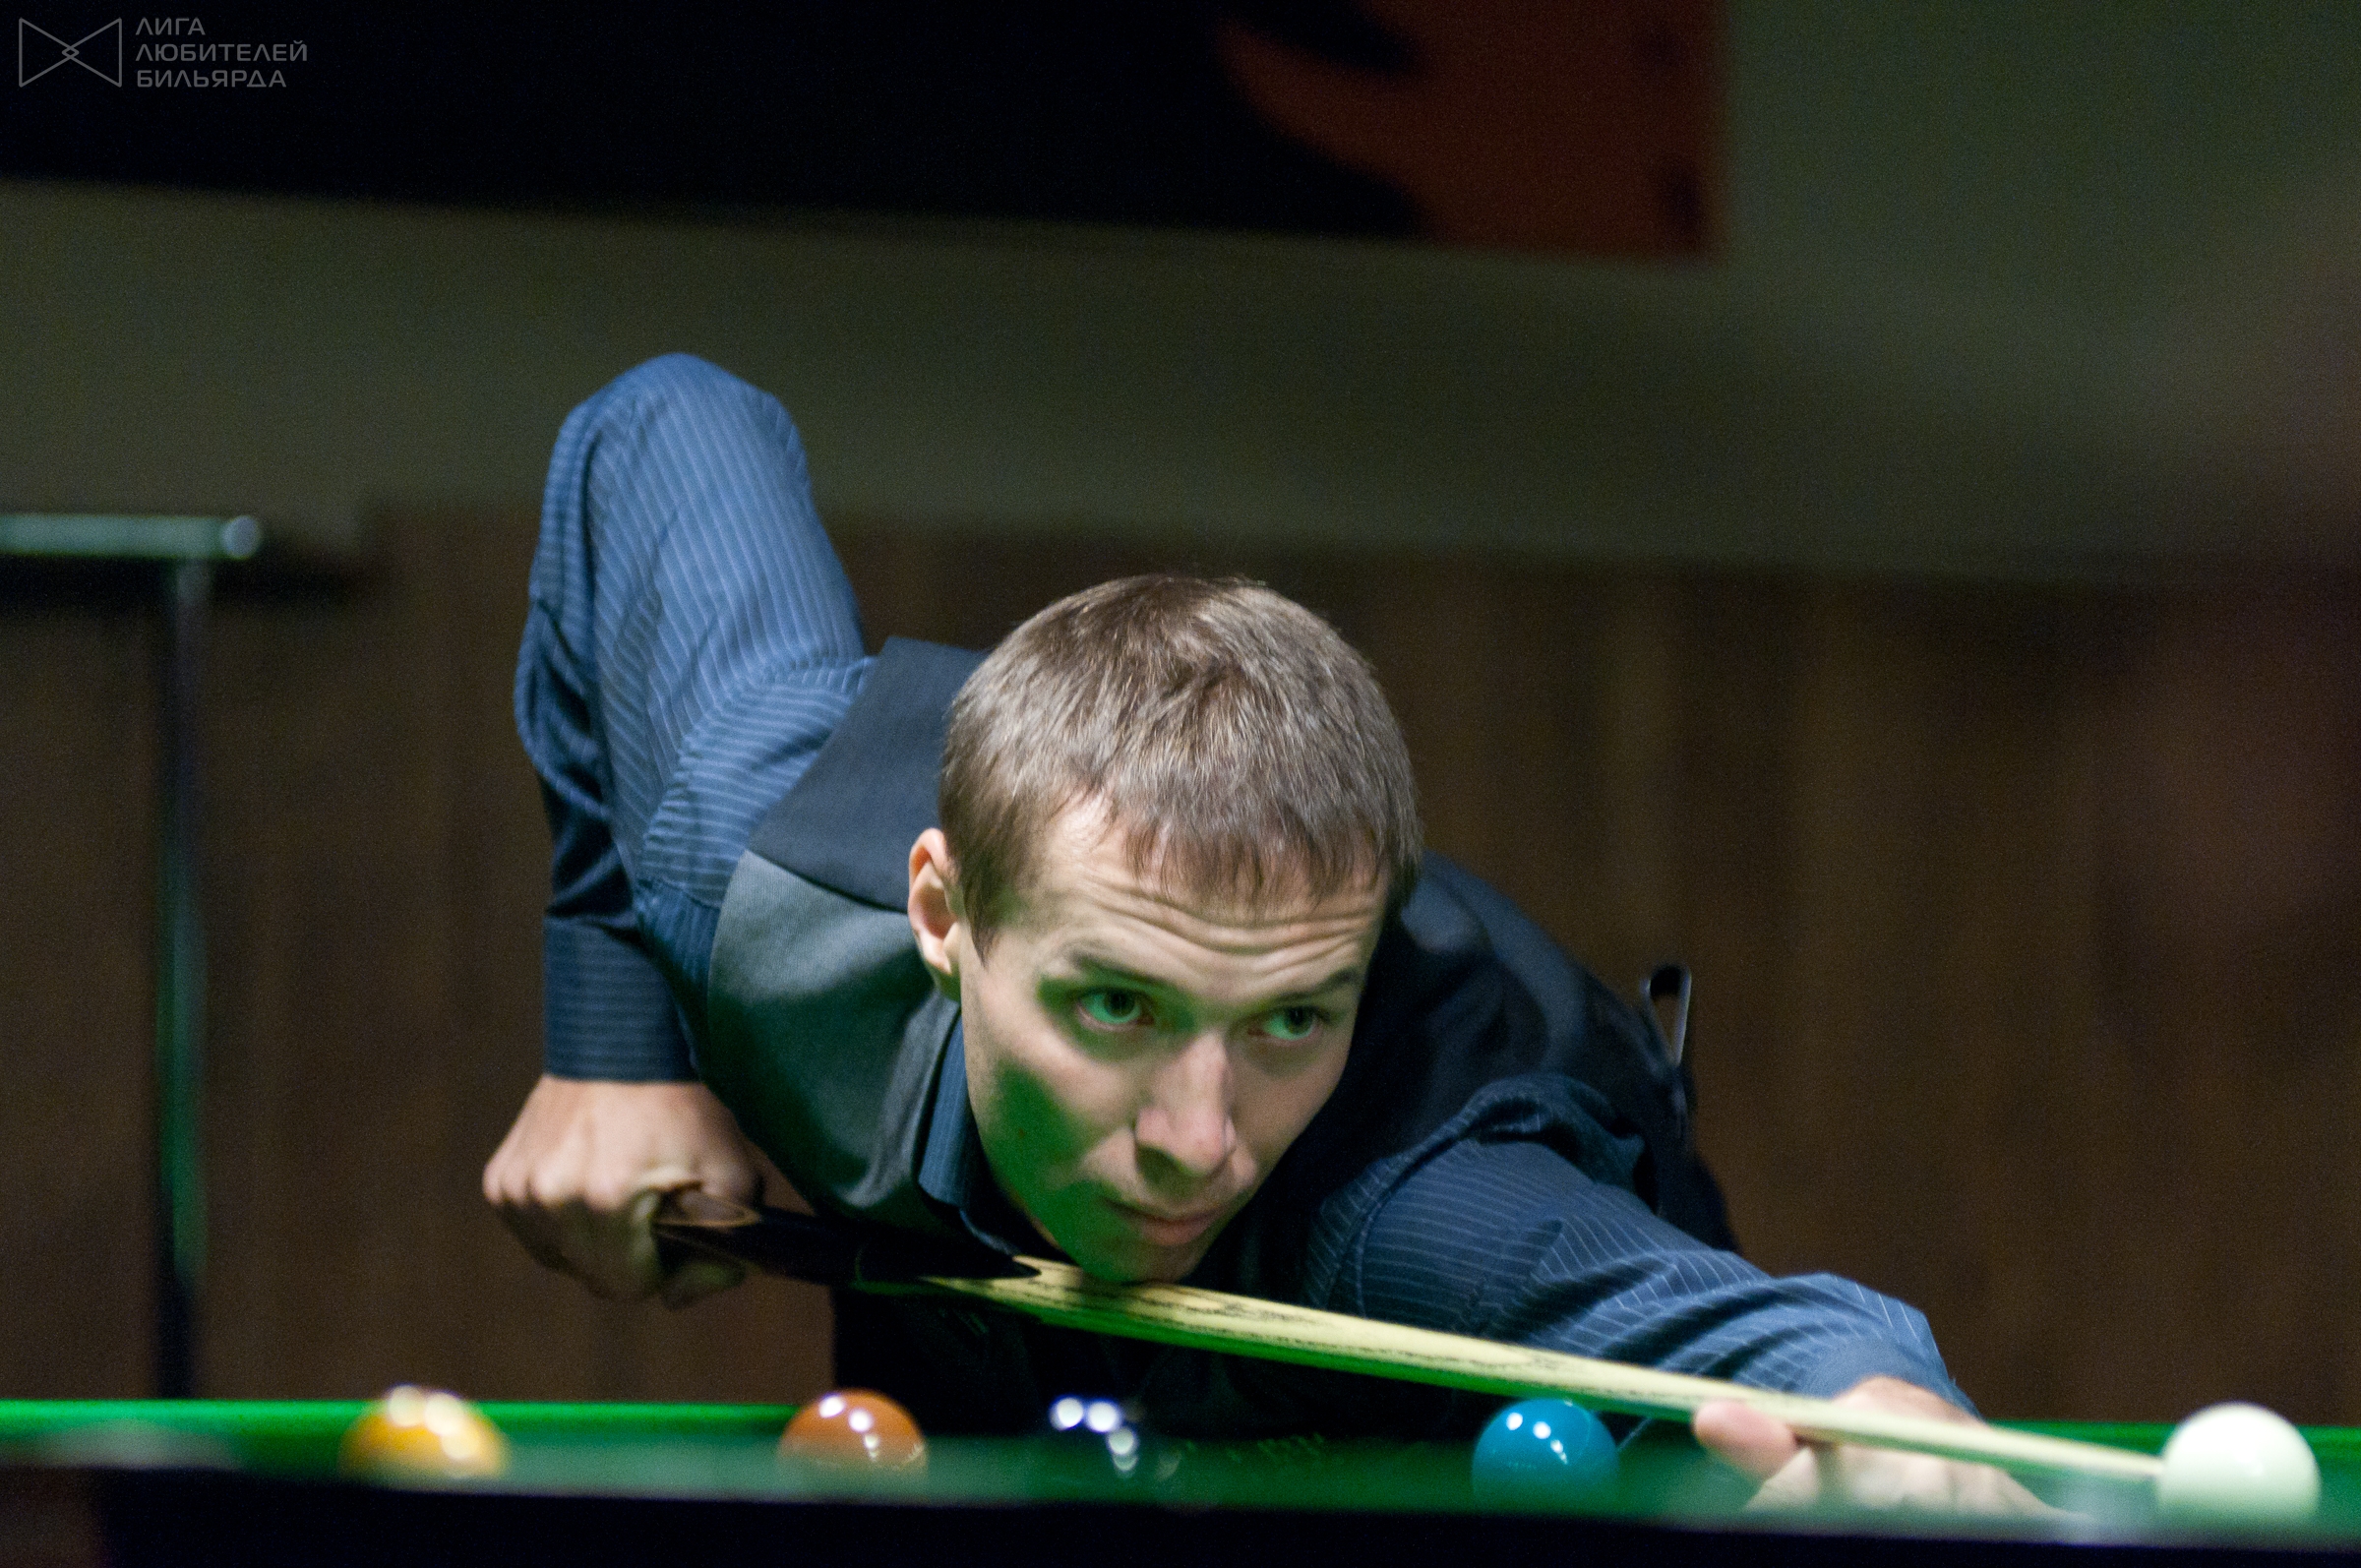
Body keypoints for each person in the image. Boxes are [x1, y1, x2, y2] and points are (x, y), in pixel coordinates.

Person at [485, 353, 2036, 1511]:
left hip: (1415, 1418)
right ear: (942, 912)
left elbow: (1786, 1343)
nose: (1199, 1140)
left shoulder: (1414, 1206)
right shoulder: (756, 872)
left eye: (1292, 1016)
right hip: (976, 1337)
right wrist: (614, 1046)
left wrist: (1902, 1433)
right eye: (1117, 1005)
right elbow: (663, 421)